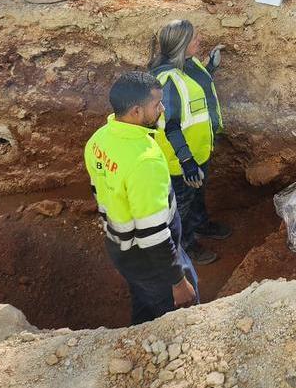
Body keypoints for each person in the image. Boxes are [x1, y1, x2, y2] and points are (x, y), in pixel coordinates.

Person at [85, 71, 199, 325]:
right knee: (182, 313)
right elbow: (154, 235)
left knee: (145, 302)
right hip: (150, 260)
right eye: (156, 104)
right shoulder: (145, 161)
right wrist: (178, 283)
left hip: (120, 247)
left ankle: (139, 332)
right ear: (136, 111)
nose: (162, 108)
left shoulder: (99, 139)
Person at [148, 19, 231, 267]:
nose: (199, 41)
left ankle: (201, 224)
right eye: (195, 39)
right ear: (182, 45)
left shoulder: (188, 63)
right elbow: (171, 125)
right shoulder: (167, 81)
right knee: (181, 205)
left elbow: (194, 90)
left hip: (199, 149)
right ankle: (185, 245)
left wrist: (210, 68)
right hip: (180, 160)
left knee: (197, 194)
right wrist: (186, 161)